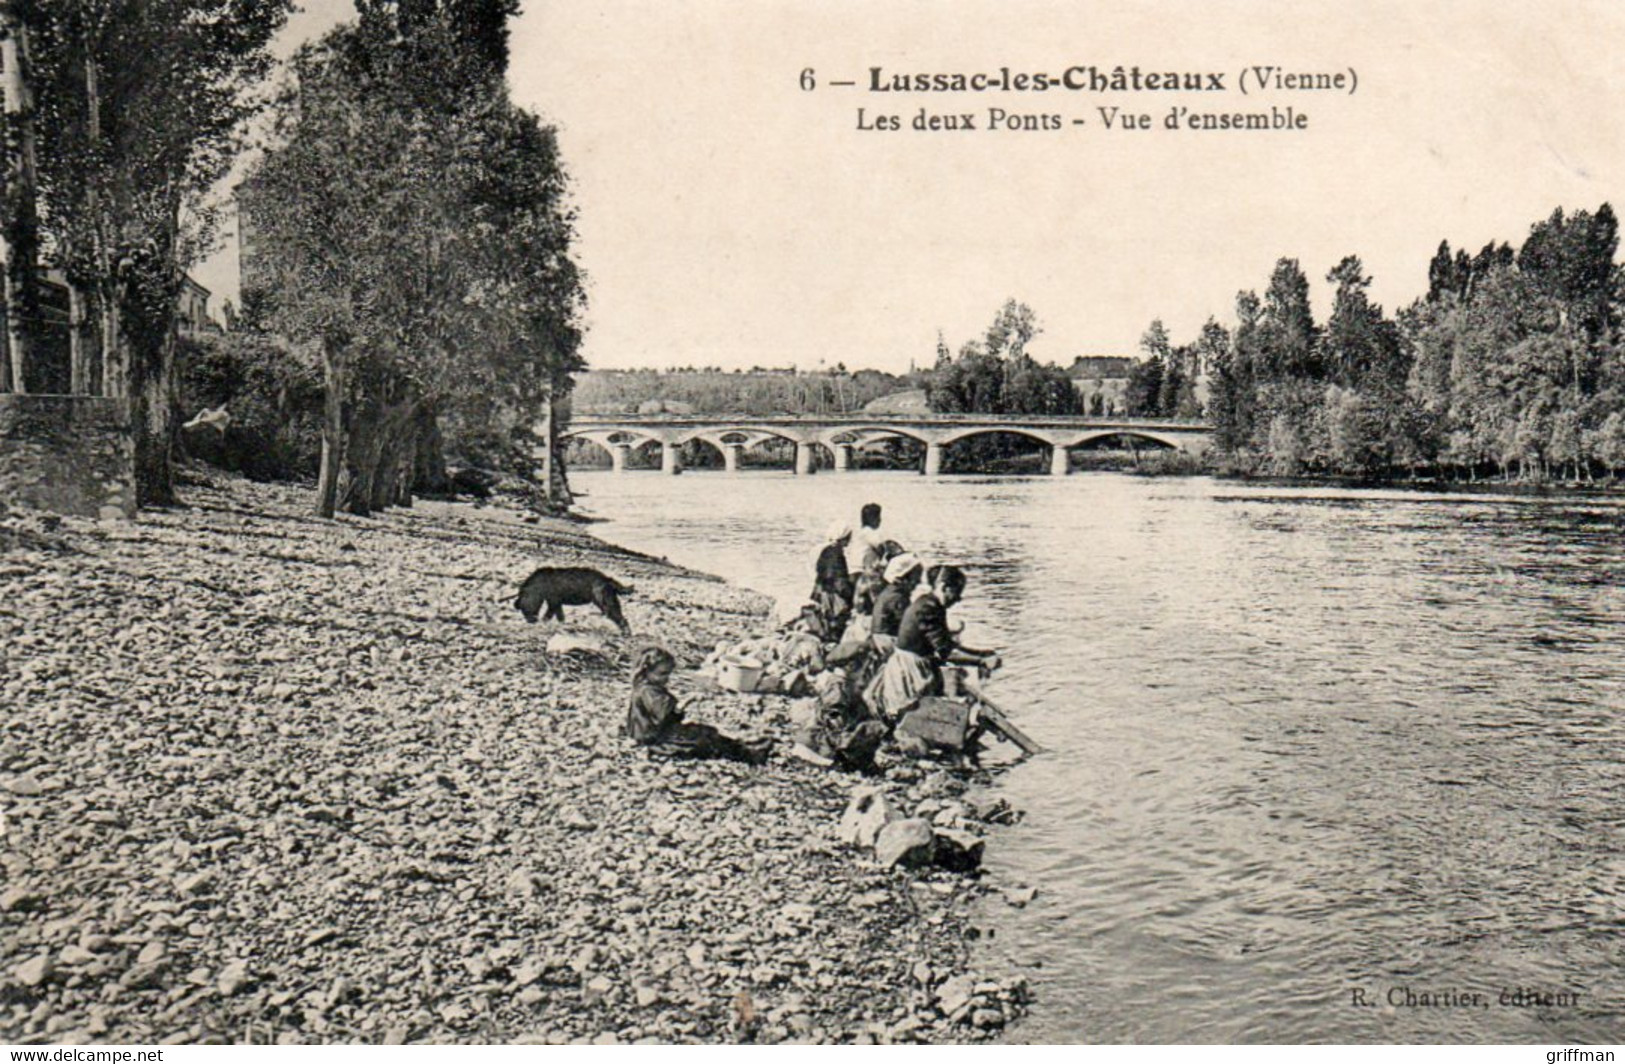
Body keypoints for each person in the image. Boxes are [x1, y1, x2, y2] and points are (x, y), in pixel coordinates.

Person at [864, 564, 1000, 720]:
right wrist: (981, 660)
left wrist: (982, 654)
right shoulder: (927, 608)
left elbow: (947, 646)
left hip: (914, 665)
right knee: (913, 715)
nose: (958, 599)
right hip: (910, 671)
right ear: (943, 587)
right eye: (956, 592)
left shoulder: (929, 603)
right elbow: (947, 652)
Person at [625, 647, 771, 764]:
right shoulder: (649, 691)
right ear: (646, 671)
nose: (666, 679)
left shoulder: (646, 687)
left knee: (705, 731)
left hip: (655, 732)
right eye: (662, 674)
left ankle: (743, 746)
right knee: (704, 740)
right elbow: (666, 713)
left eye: (668, 674)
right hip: (655, 737)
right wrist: (688, 701)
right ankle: (748, 755)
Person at [809, 521, 855, 641]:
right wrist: (851, 594)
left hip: (824, 591)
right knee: (837, 623)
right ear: (844, 537)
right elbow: (838, 581)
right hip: (832, 595)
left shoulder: (827, 550)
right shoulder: (836, 554)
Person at [869, 552, 923, 641]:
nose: (918, 582)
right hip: (887, 641)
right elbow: (909, 626)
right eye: (916, 577)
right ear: (903, 578)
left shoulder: (890, 592)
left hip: (880, 638)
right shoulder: (897, 597)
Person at [847, 503, 884, 572]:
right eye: (878, 517)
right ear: (872, 519)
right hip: (861, 569)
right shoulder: (870, 532)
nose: (880, 520)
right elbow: (881, 548)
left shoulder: (860, 532)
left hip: (853, 567)